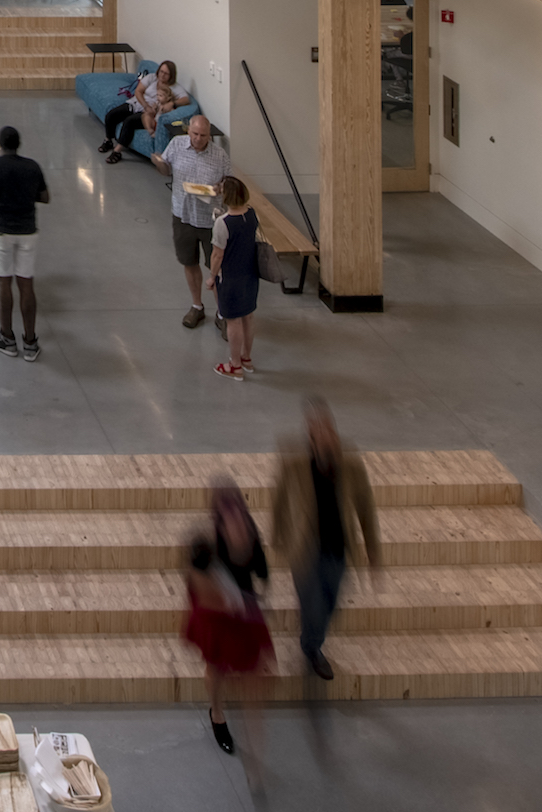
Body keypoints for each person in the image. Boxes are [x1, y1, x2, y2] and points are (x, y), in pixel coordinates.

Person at [272, 398, 382, 684]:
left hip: (337, 548)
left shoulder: (351, 464)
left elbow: (365, 508)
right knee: (313, 605)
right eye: (319, 431)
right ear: (310, 436)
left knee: (331, 602)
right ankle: (312, 646)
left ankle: (312, 637)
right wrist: (277, 538)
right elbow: (280, 499)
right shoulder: (294, 462)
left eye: (330, 430)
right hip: (305, 551)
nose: (327, 437)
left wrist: (374, 554)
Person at [183, 477, 272, 777]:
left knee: (252, 670)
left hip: (243, 610)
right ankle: (217, 712)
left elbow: (261, 569)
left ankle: (255, 753)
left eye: (238, 513)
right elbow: (199, 582)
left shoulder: (251, 532)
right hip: (219, 615)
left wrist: (249, 554)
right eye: (228, 515)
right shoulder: (208, 545)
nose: (235, 521)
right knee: (216, 667)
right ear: (219, 518)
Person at [0, 125, 50, 358]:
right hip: (28, 231)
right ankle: (30, 342)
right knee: (26, 285)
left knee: (3, 284)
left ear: (0, 144)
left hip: (0, 232)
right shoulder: (32, 166)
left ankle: (7, 338)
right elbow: (45, 197)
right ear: (18, 144)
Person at [159, 115, 233, 330]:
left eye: (203, 136)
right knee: (189, 262)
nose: (198, 139)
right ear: (188, 131)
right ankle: (197, 306)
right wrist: (159, 164)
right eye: (195, 134)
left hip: (211, 220)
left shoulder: (219, 155)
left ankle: (222, 313)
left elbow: (231, 181)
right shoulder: (176, 145)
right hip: (183, 215)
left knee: (216, 269)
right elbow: (165, 169)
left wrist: (221, 188)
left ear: (209, 135)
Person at [208, 172, 261, 377]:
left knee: (233, 320)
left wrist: (212, 276)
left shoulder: (223, 223)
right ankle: (247, 357)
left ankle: (234, 364)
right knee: (248, 316)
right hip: (250, 275)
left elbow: (217, 255)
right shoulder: (252, 214)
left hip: (230, 278)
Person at [105, 58, 188, 163]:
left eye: (166, 73)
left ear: (171, 75)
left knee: (129, 121)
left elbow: (186, 99)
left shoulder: (174, 87)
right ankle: (108, 140)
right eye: (161, 72)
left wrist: (172, 103)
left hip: (149, 113)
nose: (162, 75)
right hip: (137, 104)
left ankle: (117, 151)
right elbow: (138, 91)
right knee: (112, 115)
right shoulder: (151, 78)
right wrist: (145, 105)